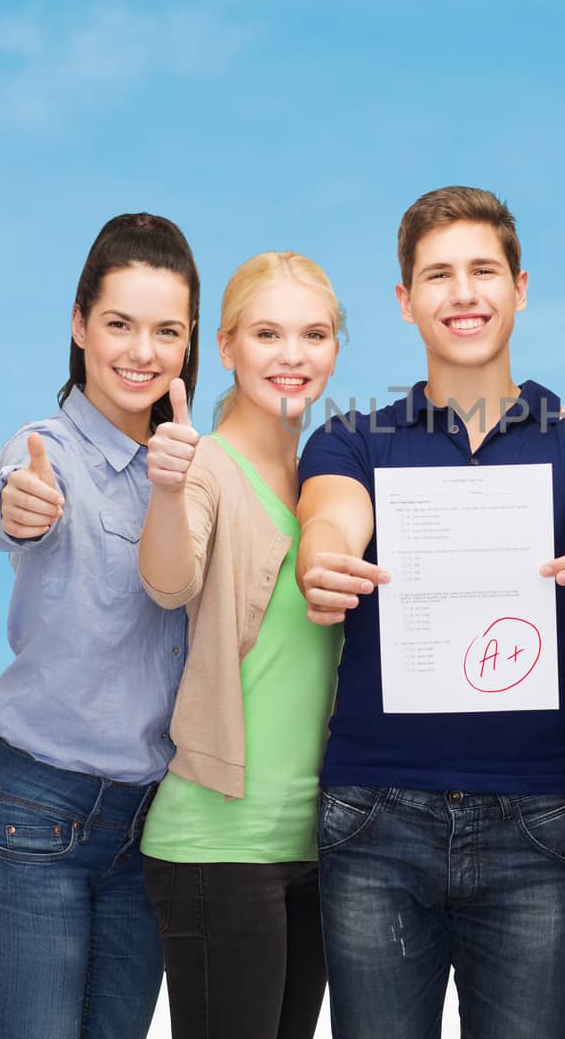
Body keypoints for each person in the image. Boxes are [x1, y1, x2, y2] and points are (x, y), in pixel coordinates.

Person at [294, 185, 565, 1039]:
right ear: (405, 299)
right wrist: (322, 559)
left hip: (533, 823)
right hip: (375, 817)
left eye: (484, 271)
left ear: (520, 288)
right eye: (438, 275)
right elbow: (331, 516)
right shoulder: (352, 438)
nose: (464, 293)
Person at [0, 212, 200, 1039]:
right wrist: (19, 508)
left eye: (166, 330)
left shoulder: (190, 470)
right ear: (79, 324)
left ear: (191, 338)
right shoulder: (43, 450)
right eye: (120, 323)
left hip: (145, 829)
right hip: (31, 814)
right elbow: (13, 508)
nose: (142, 351)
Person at [135, 251, 347, 1039]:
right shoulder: (204, 466)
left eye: (314, 333)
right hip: (219, 842)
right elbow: (167, 578)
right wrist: (166, 486)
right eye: (267, 333)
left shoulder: (326, 476)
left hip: (313, 842)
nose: (293, 354)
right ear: (224, 347)